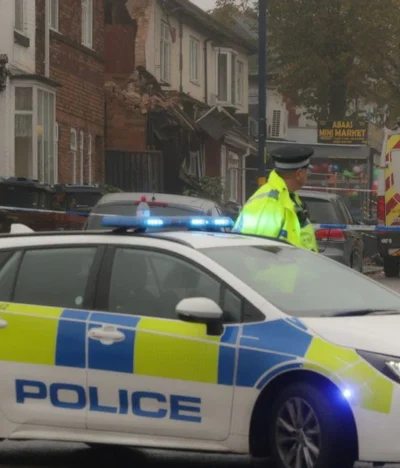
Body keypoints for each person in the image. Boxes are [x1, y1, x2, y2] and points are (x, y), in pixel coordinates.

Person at [233, 146, 318, 252]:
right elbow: (259, 253)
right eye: (307, 171)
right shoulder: (270, 203)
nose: (308, 175)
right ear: (299, 174)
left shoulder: (288, 197)